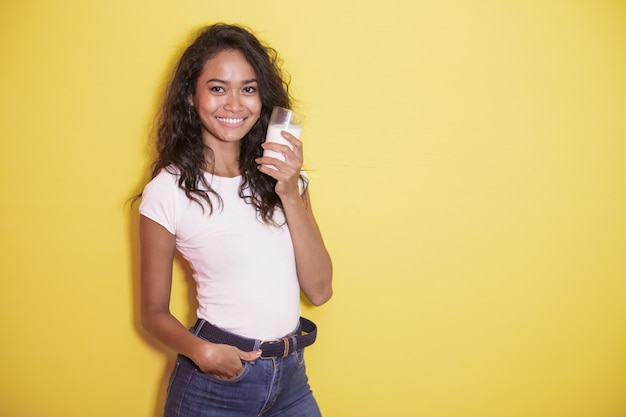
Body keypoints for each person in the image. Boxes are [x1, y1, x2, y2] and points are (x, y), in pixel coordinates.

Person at [138, 23, 333, 417]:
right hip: (215, 385)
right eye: (216, 88)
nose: (234, 104)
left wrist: (289, 191)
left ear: (263, 98)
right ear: (191, 98)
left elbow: (320, 290)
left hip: (291, 377)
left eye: (248, 88)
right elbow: (153, 312)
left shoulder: (287, 177)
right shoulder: (167, 190)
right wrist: (201, 351)